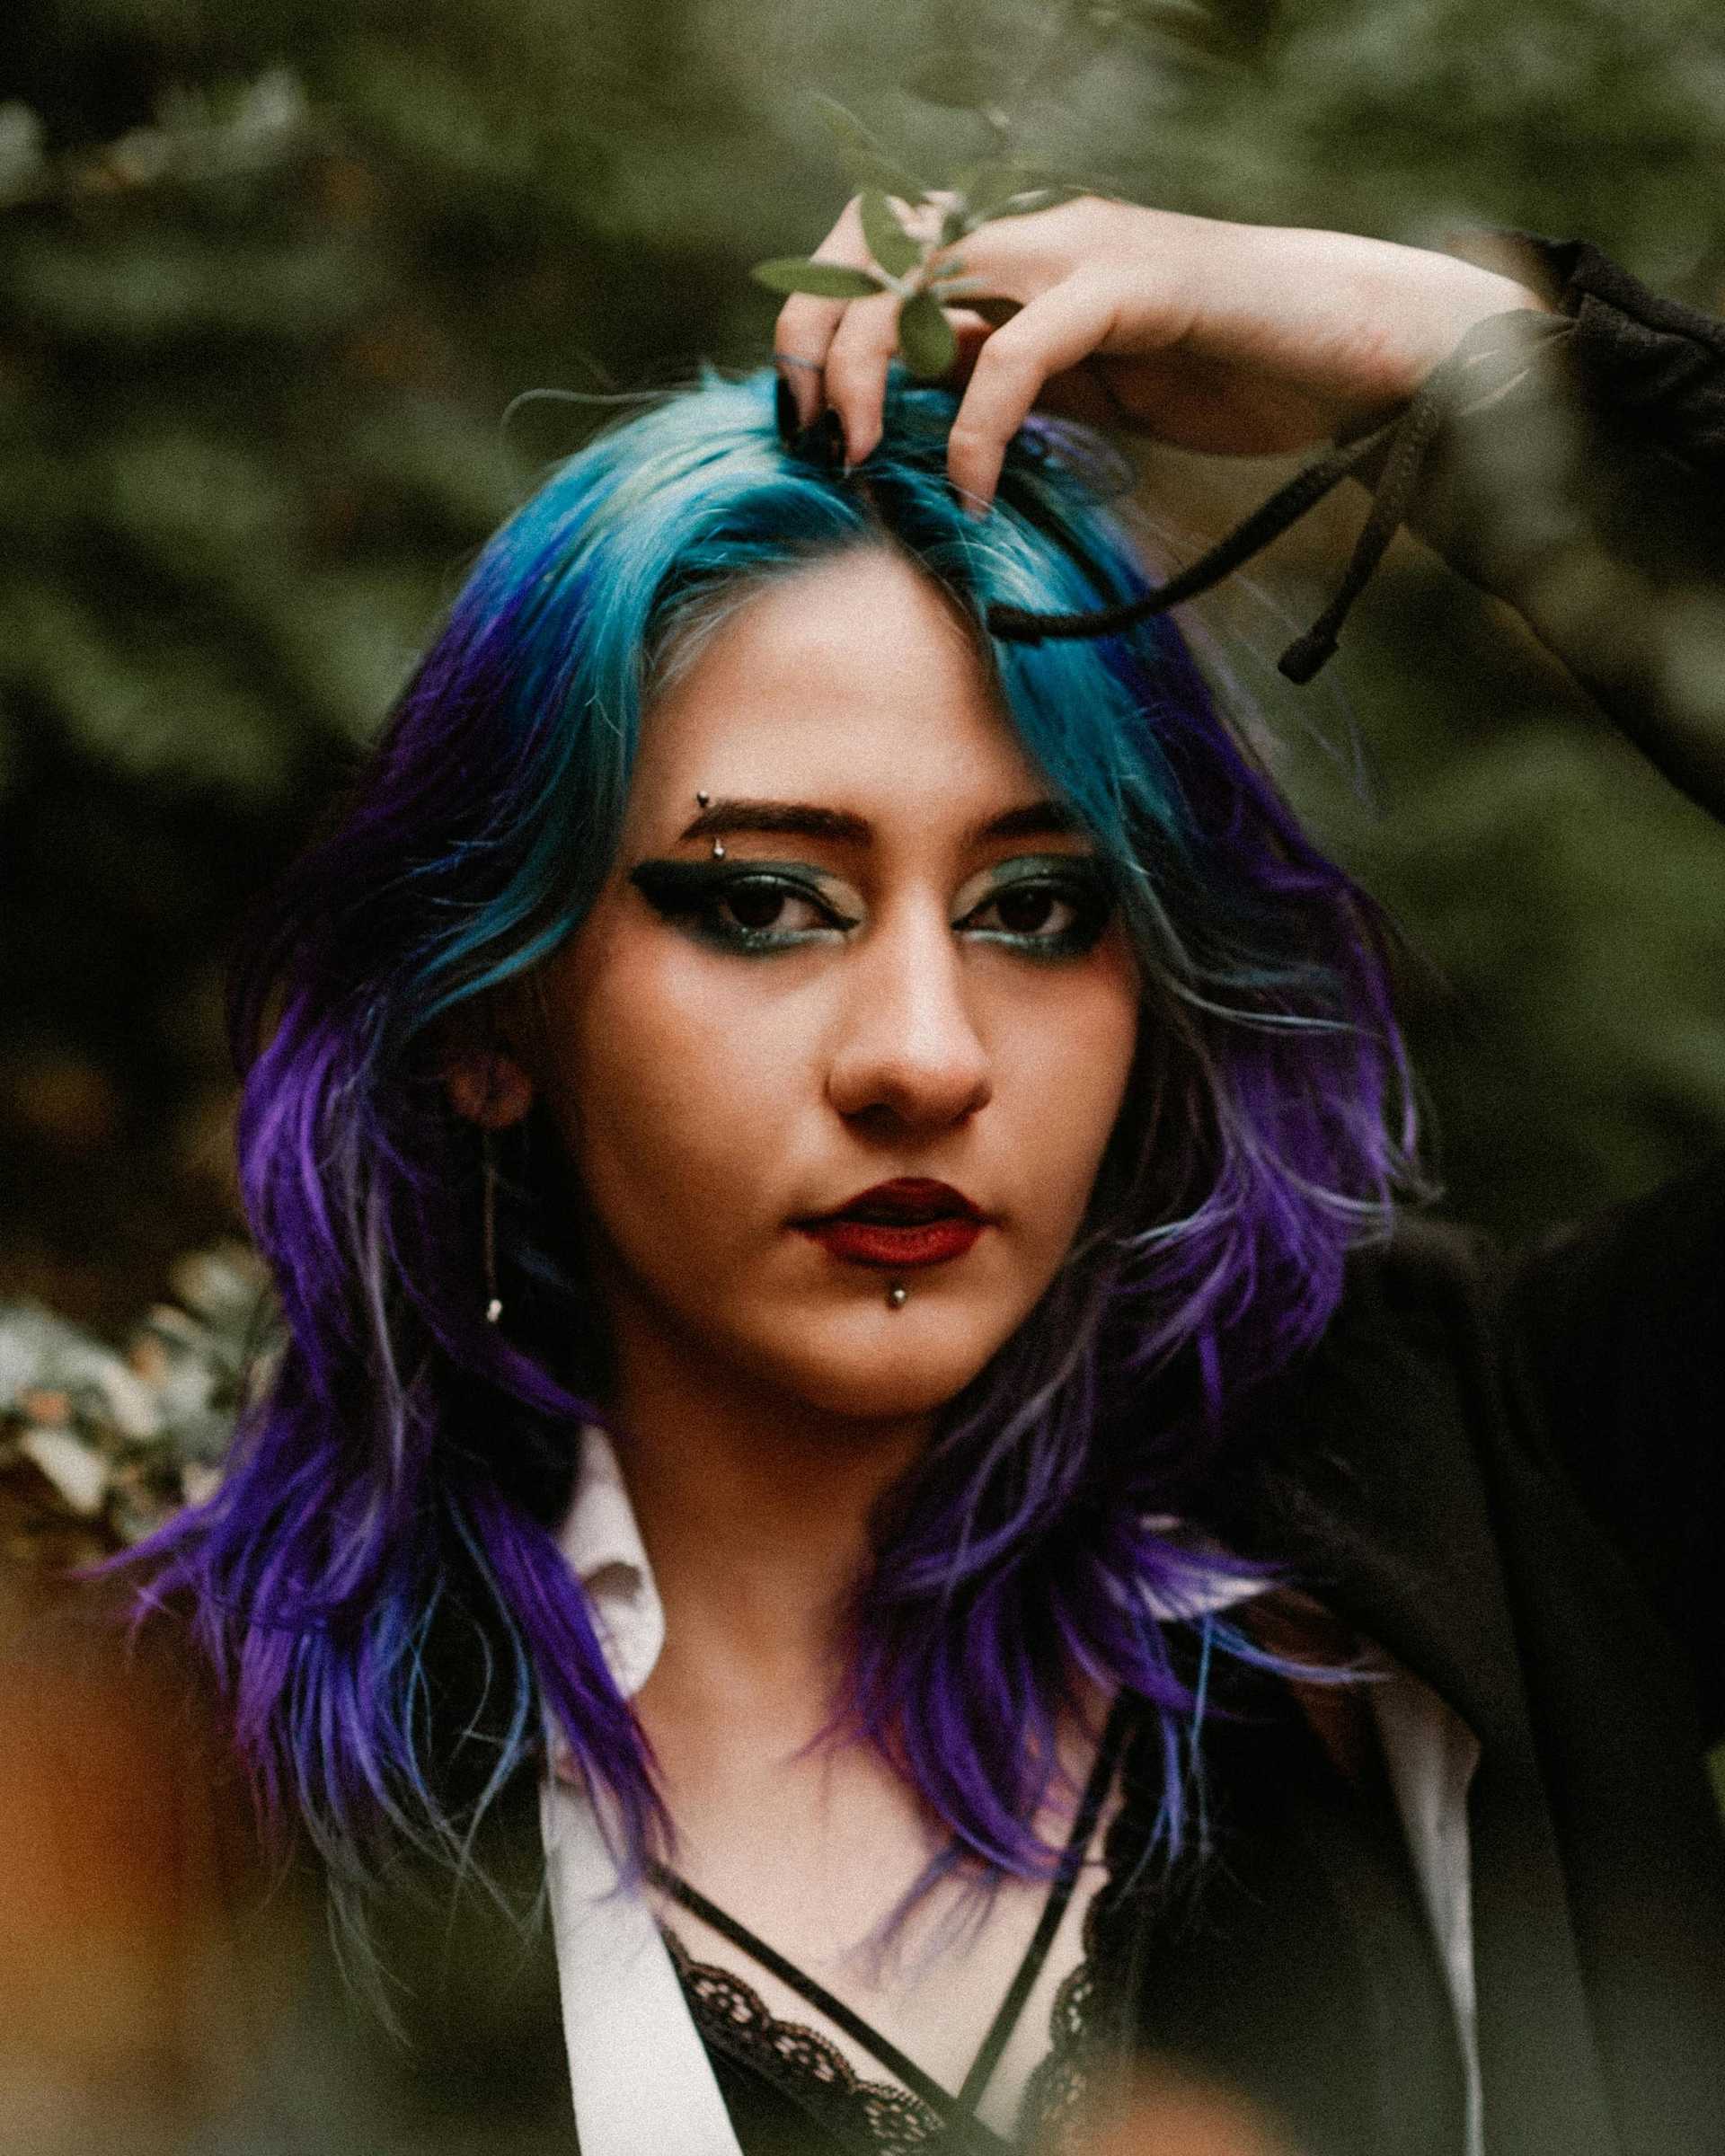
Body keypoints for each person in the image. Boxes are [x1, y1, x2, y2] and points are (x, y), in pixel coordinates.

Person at [6, 199, 1723, 2156]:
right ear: (490, 1015)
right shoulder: (196, 1819)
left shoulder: (1469, 1512)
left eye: (1038, 905)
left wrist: (1478, 385)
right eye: (762, 901)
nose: (922, 1055)